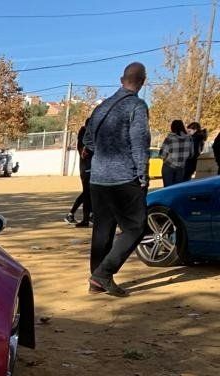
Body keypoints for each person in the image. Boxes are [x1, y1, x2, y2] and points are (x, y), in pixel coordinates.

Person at [82, 61, 150, 297]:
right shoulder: (137, 106)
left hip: (98, 178)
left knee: (102, 229)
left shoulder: (101, 108)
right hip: (123, 178)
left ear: (122, 80)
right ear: (142, 81)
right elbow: (140, 143)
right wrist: (143, 175)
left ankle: (97, 278)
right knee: (136, 227)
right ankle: (102, 274)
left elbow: (88, 141)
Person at [66, 119, 92, 227]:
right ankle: (82, 217)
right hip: (86, 170)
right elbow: (84, 153)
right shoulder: (84, 140)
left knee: (89, 194)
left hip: (90, 170)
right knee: (87, 194)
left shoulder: (87, 139)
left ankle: (88, 216)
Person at [159, 119, 194, 187]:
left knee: (168, 189)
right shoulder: (189, 138)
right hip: (181, 168)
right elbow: (191, 154)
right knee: (177, 189)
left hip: (169, 166)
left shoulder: (170, 138)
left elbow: (162, 154)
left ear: (172, 127)